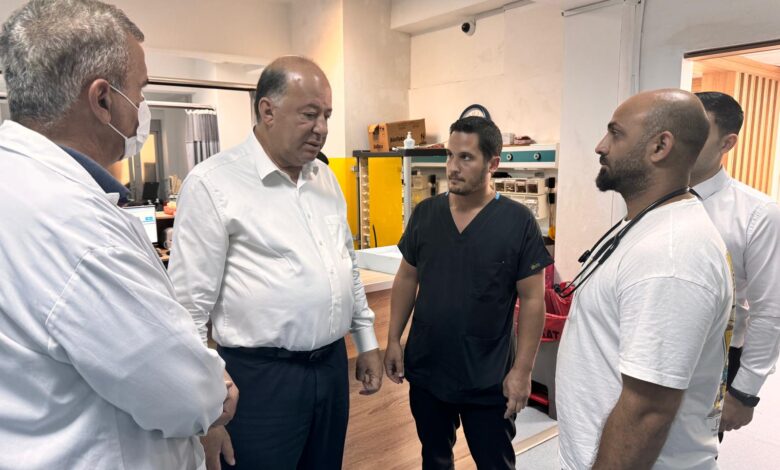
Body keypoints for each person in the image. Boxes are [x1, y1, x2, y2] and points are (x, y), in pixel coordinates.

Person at [0, 1, 235, 469]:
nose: (142, 108)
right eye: (141, 90)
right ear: (103, 100)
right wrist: (217, 390)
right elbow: (184, 393)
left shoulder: (16, 181)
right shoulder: (76, 225)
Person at [168, 56, 384, 470]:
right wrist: (205, 411)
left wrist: (366, 341)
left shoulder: (325, 179)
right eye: (309, 114)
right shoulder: (213, 184)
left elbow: (346, 267)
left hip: (331, 368)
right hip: (260, 380)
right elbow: (187, 312)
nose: (322, 128)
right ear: (267, 110)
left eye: (327, 115)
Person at [555, 89, 734, 469]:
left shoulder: (671, 254)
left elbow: (648, 412)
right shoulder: (648, 225)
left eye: (615, 133)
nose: (600, 146)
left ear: (660, 147)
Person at [384, 116, 552, 469]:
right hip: (429, 368)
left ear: (493, 163)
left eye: (466, 157)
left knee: (494, 462)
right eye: (449, 155)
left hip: (489, 376)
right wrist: (394, 339)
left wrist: (523, 371)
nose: (453, 167)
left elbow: (533, 300)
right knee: (434, 458)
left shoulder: (517, 222)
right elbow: (407, 278)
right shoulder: (426, 214)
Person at [692, 92, 780, 438]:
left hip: (716, 357)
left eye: (697, 131)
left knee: (696, 451)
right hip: (650, 349)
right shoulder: (653, 199)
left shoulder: (758, 214)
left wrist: (744, 391)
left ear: (727, 143)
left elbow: (769, 309)